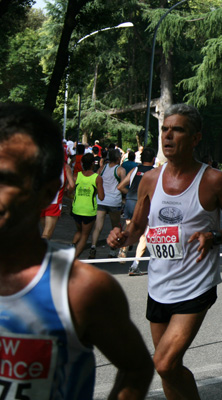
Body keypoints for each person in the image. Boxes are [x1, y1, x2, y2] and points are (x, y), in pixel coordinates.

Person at [0, 103, 153, 399]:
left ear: (46, 192)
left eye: (6, 180)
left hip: (90, 215)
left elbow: (136, 369)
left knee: (86, 234)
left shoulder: (81, 289)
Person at [107, 103, 222, 399]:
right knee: (168, 368)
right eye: (165, 130)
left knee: (164, 362)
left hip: (196, 286)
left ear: (196, 138)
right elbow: (138, 227)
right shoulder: (150, 180)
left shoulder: (213, 180)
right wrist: (122, 237)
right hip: (159, 284)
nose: (168, 136)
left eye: (178, 130)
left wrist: (213, 235)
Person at [118, 147, 156, 275]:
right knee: (144, 234)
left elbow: (120, 186)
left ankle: (123, 247)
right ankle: (135, 264)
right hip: (145, 203)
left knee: (129, 225)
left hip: (131, 201)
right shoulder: (156, 173)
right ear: (153, 159)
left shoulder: (135, 170)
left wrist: (130, 194)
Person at [89, 149, 126, 259]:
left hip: (101, 200)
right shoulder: (120, 170)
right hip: (114, 201)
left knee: (98, 226)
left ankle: (93, 246)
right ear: (118, 158)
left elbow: (95, 180)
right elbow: (123, 186)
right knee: (115, 226)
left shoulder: (102, 168)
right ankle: (113, 250)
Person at [71, 153, 104, 258]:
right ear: (93, 164)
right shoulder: (97, 178)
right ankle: (72, 260)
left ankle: (71, 247)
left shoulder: (76, 176)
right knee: (84, 236)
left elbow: (68, 189)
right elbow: (101, 197)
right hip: (88, 210)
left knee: (79, 231)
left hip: (76, 208)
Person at [40, 160, 75, 239]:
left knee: (44, 231)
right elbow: (72, 185)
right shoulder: (65, 167)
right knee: (47, 233)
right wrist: (68, 192)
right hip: (54, 202)